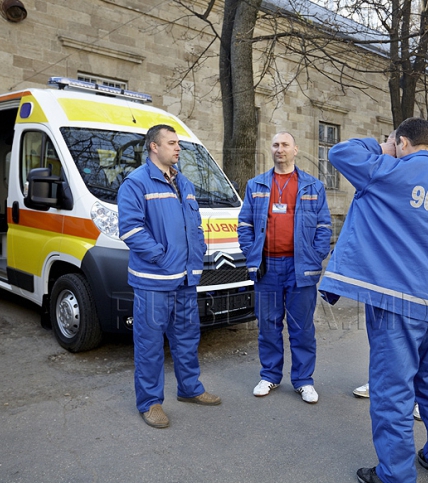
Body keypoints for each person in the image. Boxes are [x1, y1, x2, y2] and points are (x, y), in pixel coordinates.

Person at [319, 117, 428, 483]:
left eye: (394, 142)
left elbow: (342, 152)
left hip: (395, 303)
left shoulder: (387, 170)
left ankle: (395, 475)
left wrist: (382, 146)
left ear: (403, 143)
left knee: (393, 391)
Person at [118, 124, 221, 429]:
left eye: (178, 143)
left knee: (188, 339)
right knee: (150, 344)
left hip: (186, 279)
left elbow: (195, 226)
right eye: (172, 143)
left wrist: (197, 252)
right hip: (154, 281)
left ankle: (190, 389)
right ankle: (150, 403)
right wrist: (163, 257)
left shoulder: (184, 183)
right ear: (154, 147)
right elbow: (131, 230)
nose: (178, 148)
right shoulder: (136, 183)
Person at [238, 131, 332, 404]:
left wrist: (316, 255)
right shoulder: (256, 185)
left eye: (285, 145)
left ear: (296, 150)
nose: (280, 149)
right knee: (268, 325)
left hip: (300, 266)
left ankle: (303, 381)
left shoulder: (313, 186)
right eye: (276, 145)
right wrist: (250, 251)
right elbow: (244, 224)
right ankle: (270, 375)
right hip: (267, 267)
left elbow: (325, 226)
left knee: (302, 327)